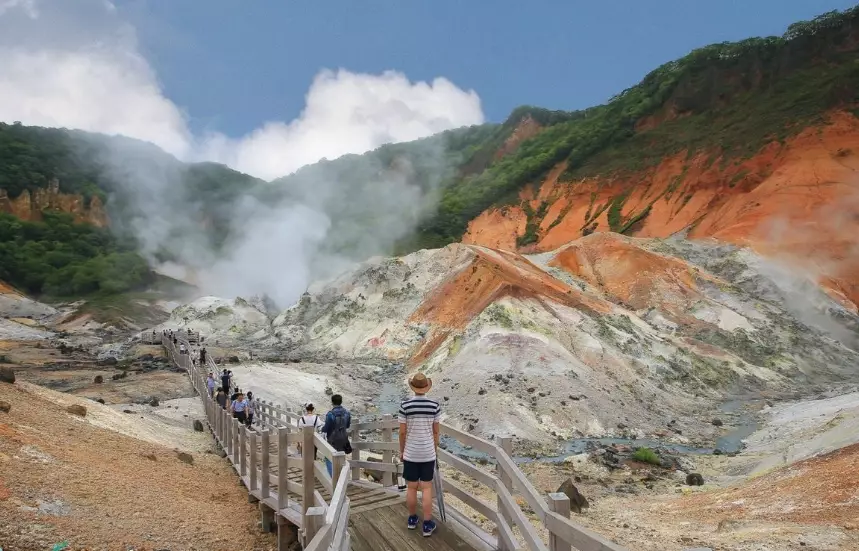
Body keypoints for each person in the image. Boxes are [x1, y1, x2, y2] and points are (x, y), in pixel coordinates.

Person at [398, 372, 441, 537]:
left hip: (411, 453)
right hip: (428, 453)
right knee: (427, 488)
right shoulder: (434, 405)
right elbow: (436, 432)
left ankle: (412, 519)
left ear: (413, 388)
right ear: (426, 387)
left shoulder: (405, 405)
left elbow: (402, 433)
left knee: (411, 487)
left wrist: (402, 451)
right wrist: (434, 449)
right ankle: (427, 524)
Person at [321, 394, 351, 477]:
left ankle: (333, 478)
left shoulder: (330, 414)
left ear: (332, 402)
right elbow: (348, 425)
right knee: (342, 456)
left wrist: (322, 429)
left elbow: (326, 428)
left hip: (333, 439)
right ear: (341, 402)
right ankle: (342, 477)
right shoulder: (347, 413)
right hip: (344, 437)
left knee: (329, 456)